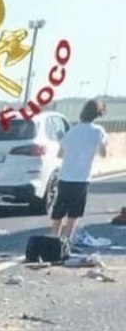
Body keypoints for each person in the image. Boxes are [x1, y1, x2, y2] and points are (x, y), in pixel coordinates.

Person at [51, 99, 110, 243]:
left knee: (59, 211)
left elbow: (60, 154)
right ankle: (65, 242)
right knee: (74, 213)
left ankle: (53, 239)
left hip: (65, 176)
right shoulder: (98, 131)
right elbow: (104, 154)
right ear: (98, 114)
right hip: (81, 178)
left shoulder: (72, 130)